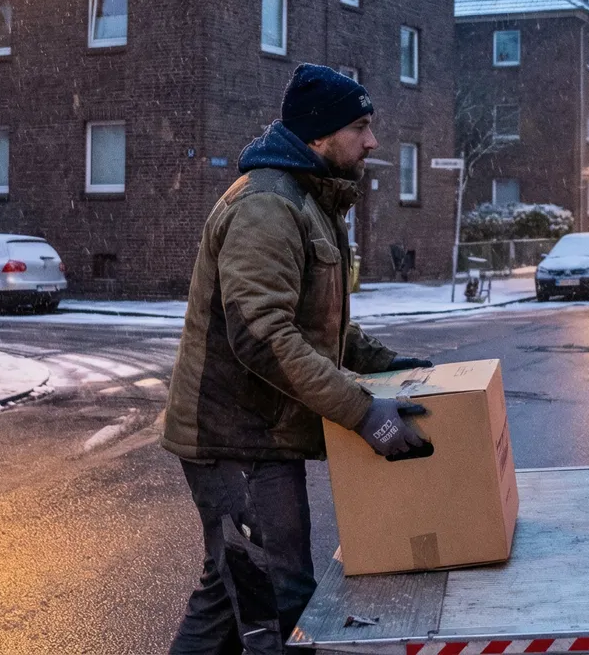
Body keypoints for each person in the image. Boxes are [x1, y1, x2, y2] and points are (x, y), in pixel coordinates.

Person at [163, 63, 432, 654]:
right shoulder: (267, 206)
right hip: (233, 440)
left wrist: (395, 365)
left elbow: (320, 326)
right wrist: (362, 412)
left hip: (258, 436)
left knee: (231, 593)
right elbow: (262, 334)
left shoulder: (310, 202)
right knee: (274, 597)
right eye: (360, 127)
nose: (373, 141)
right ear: (318, 136)